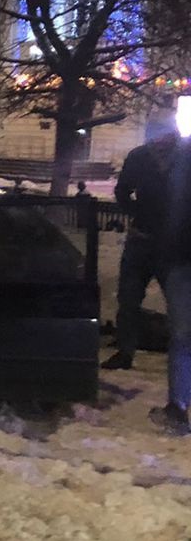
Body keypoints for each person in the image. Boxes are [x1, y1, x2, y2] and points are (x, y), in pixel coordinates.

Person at [104, 115, 177, 370]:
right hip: (144, 239)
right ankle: (125, 352)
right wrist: (138, 213)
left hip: (172, 243)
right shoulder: (140, 156)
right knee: (129, 300)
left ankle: (180, 357)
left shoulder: (184, 157)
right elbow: (122, 191)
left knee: (178, 302)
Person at [152, 129, 191, 436]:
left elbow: (175, 208)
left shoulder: (185, 157)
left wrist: (169, 250)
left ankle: (177, 409)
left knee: (182, 336)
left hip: (184, 258)